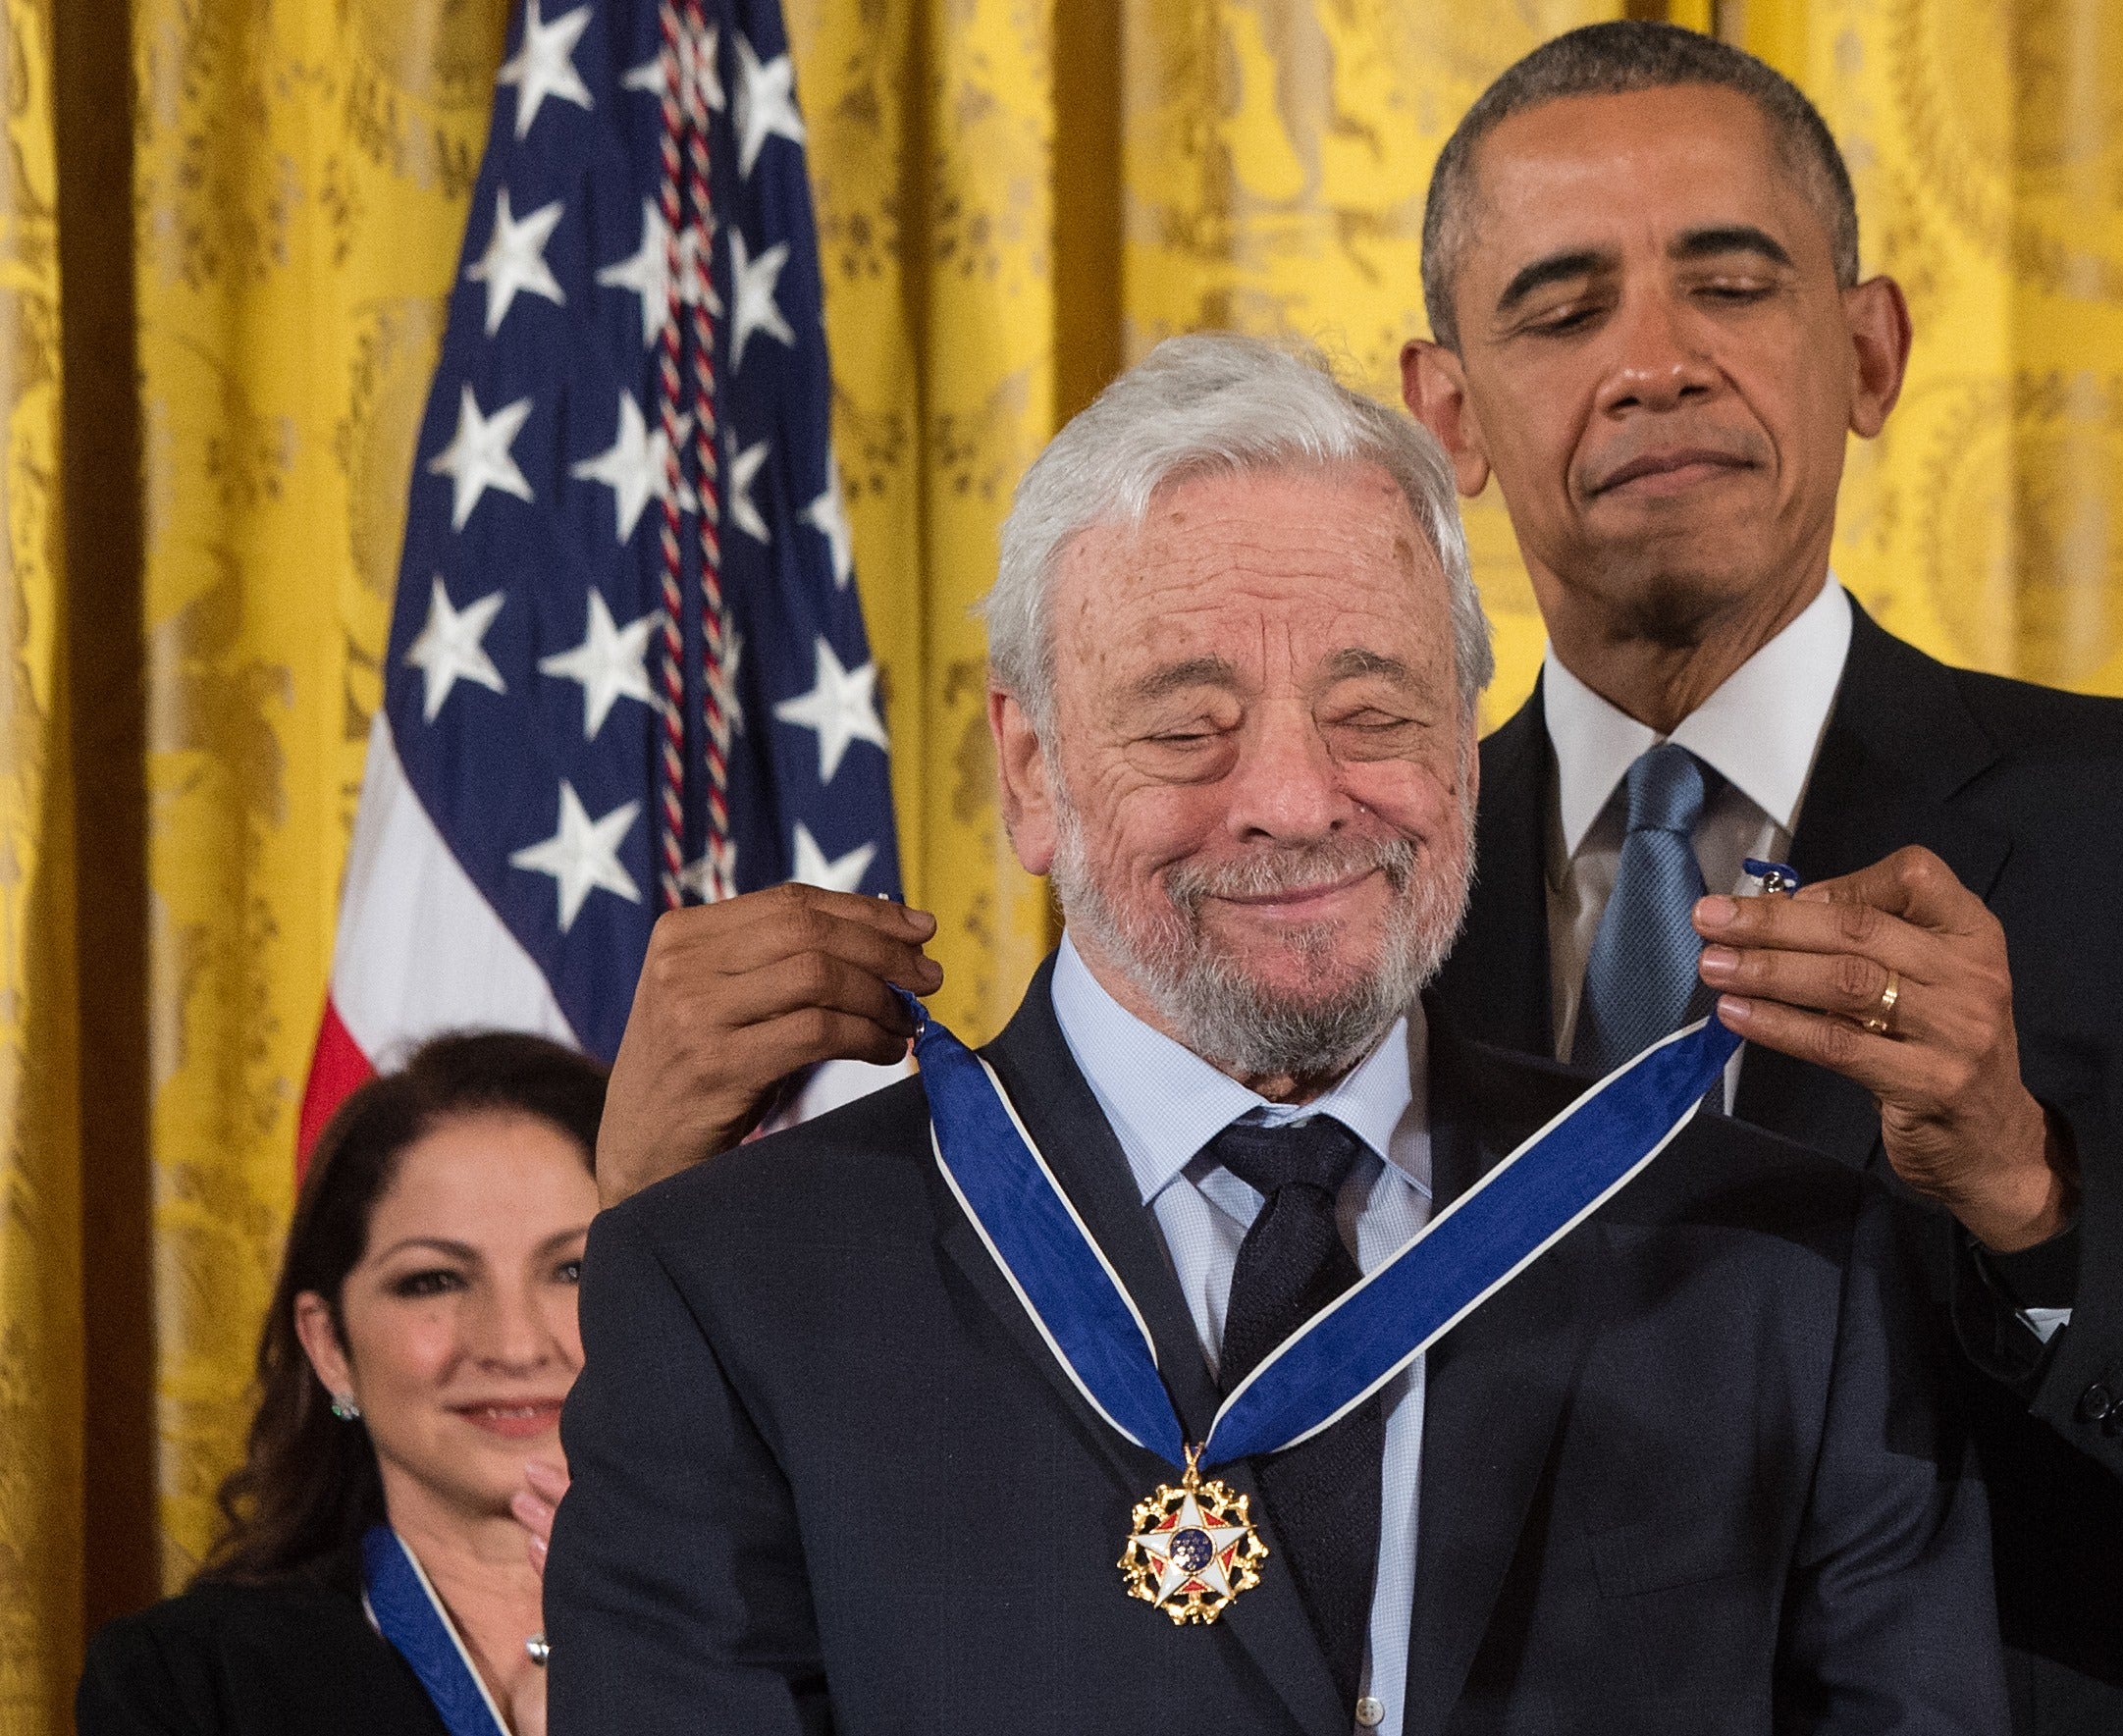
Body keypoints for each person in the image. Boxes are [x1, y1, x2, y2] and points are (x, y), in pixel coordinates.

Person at [585, 26, 2123, 1735]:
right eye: (1561, 303)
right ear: (1448, 413)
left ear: (1866, 347)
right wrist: (646, 1205)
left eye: (1730, 284)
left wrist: (2034, 1188)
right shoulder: (1313, 860)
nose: (1652, 362)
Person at [545, 335, 2010, 1734]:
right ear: (1032, 767)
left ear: (1466, 736)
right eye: (1189, 731)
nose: (1300, 803)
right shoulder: (733, 1291)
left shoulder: (1777, 1266)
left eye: (1374, 715)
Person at [79, 1032, 607, 1736]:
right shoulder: (188, 1683)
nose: (514, 1344)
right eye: (434, 1280)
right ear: (329, 1343)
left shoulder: (787, 1637)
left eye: (572, 1269)